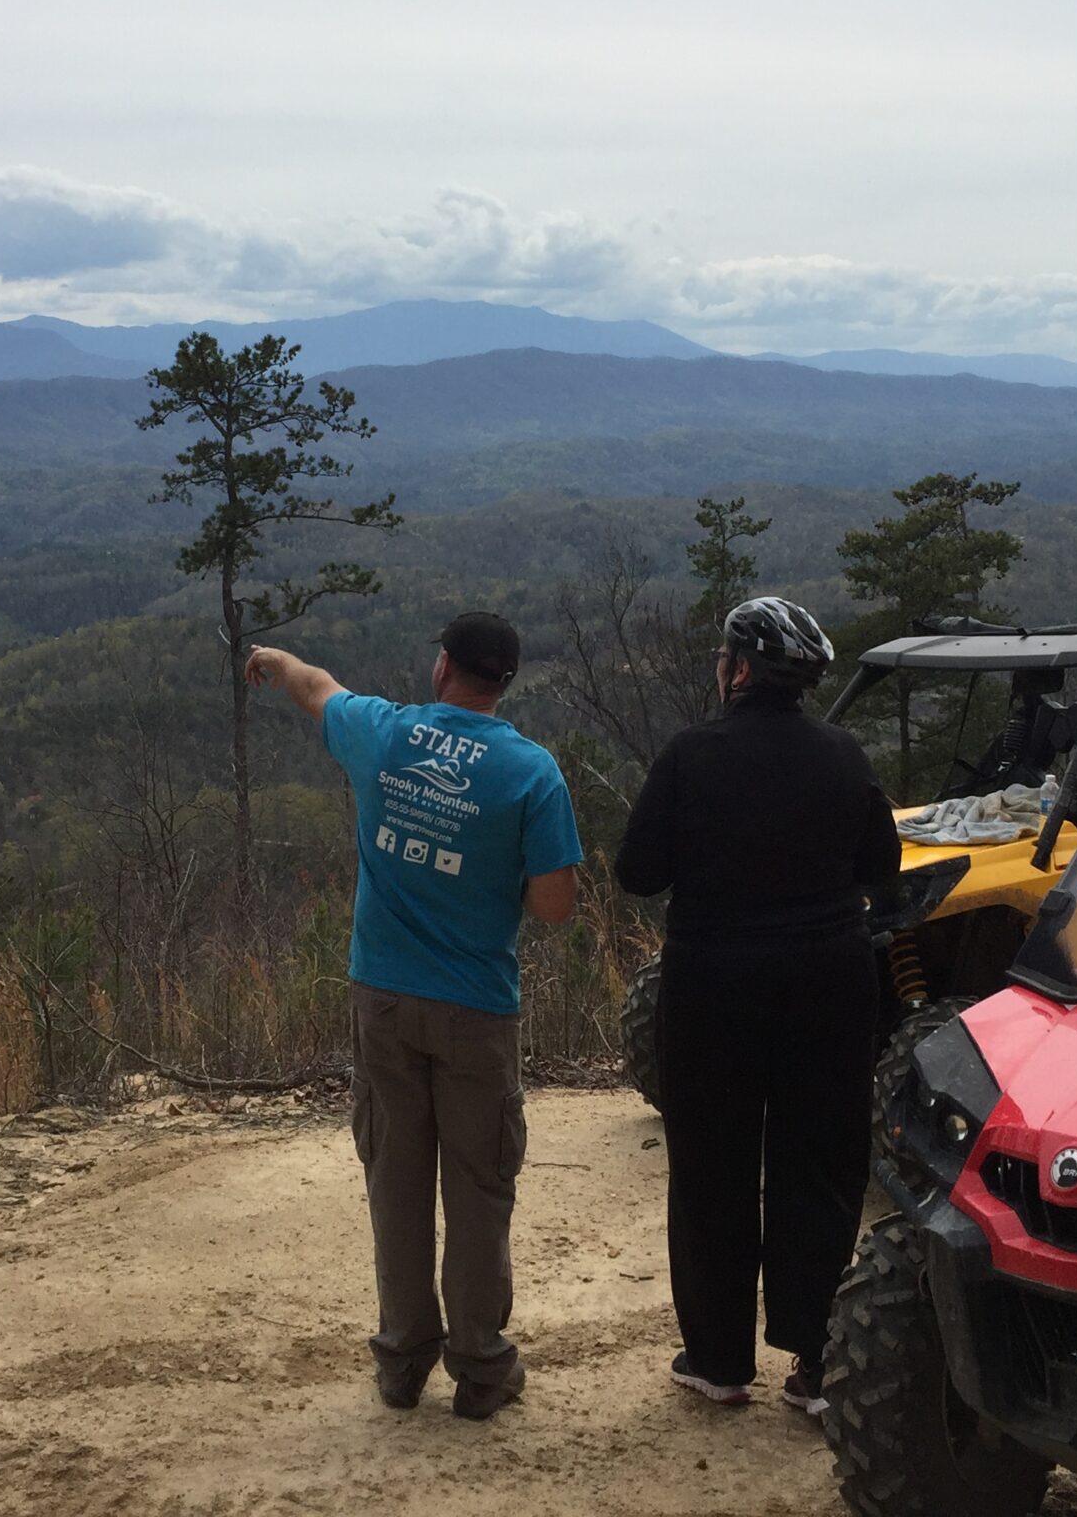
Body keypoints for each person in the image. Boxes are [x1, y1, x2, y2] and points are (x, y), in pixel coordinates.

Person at [245, 611, 582, 1420]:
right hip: (475, 1011)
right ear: (503, 681)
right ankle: (479, 1368)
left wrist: (275, 658)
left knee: (394, 1181)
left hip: (384, 1000)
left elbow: (316, 687)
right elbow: (555, 906)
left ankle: (401, 1362)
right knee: (477, 1187)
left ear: (442, 669)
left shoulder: (385, 734)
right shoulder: (533, 774)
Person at [615, 596, 900, 1415]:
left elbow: (638, 872)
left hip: (714, 984)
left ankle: (718, 1361)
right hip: (830, 982)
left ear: (738, 669)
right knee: (820, 1163)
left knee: (713, 1166)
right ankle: (815, 1364)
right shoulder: (844, 755)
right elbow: (882, 867)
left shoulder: (690, 754)